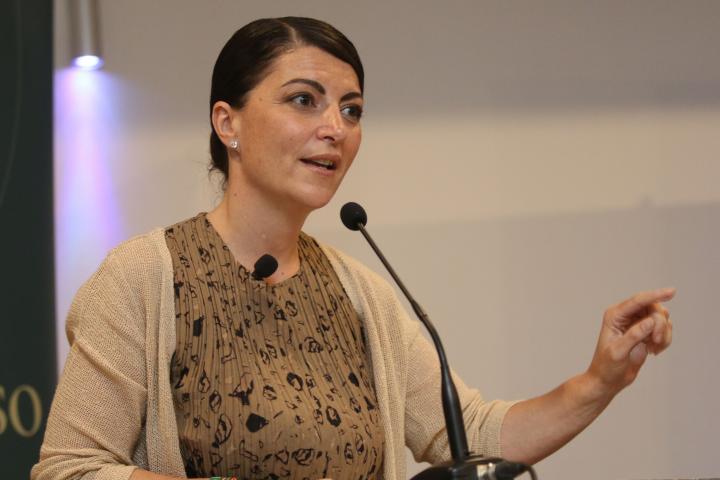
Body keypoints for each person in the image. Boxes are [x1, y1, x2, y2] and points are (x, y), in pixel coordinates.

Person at [32, 16, 674, 480]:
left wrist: (599, 380)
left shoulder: (359, 293)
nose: (335, 129)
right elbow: (70, 468)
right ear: (228, 122)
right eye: (304, 101)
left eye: (352, 110)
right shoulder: (144, 276)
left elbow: (472, 434)